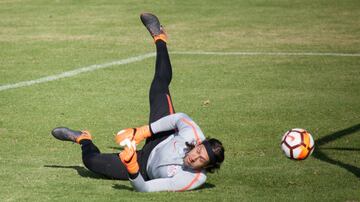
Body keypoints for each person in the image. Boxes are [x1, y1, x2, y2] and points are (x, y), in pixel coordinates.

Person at [51, 13, 225, 192]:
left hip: (143, 165)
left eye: (201, 160)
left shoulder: (191, 179)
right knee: (159, 87)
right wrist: (141, 132)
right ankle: (160, 37)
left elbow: (146, 189)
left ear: (207, 167)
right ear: (198, 144)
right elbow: (179, 118)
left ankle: (83, 138)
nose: (194, 158)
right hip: (162, 136)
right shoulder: (193, 135)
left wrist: (133, 168)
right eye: (198, 151)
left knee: (91, 162)